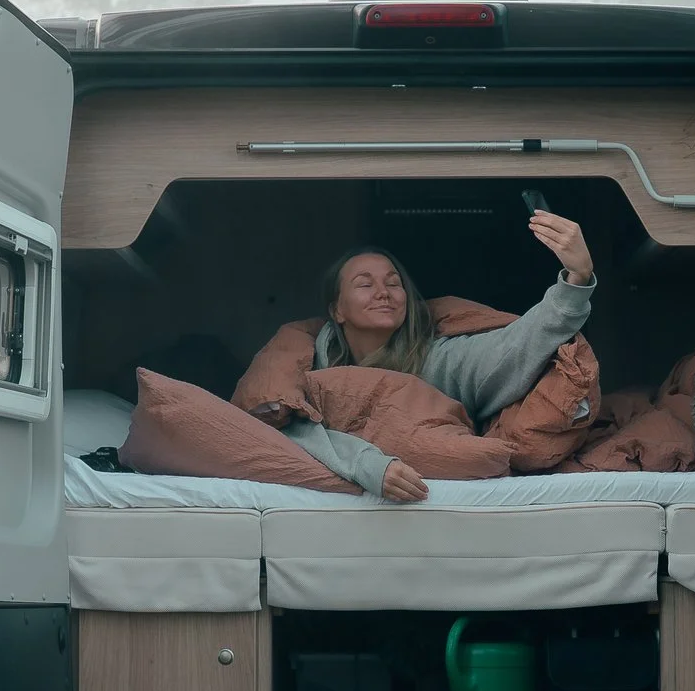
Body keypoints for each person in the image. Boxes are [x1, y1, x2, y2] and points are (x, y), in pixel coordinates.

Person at [254, 210, 596, 502]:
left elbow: (515, 346)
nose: (383, 293)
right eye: (364, 284)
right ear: (337, 310)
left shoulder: (439, 361)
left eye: (393, 282)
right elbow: (280, 425)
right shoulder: (312, 365)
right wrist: (366, 464)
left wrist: (576, 280)